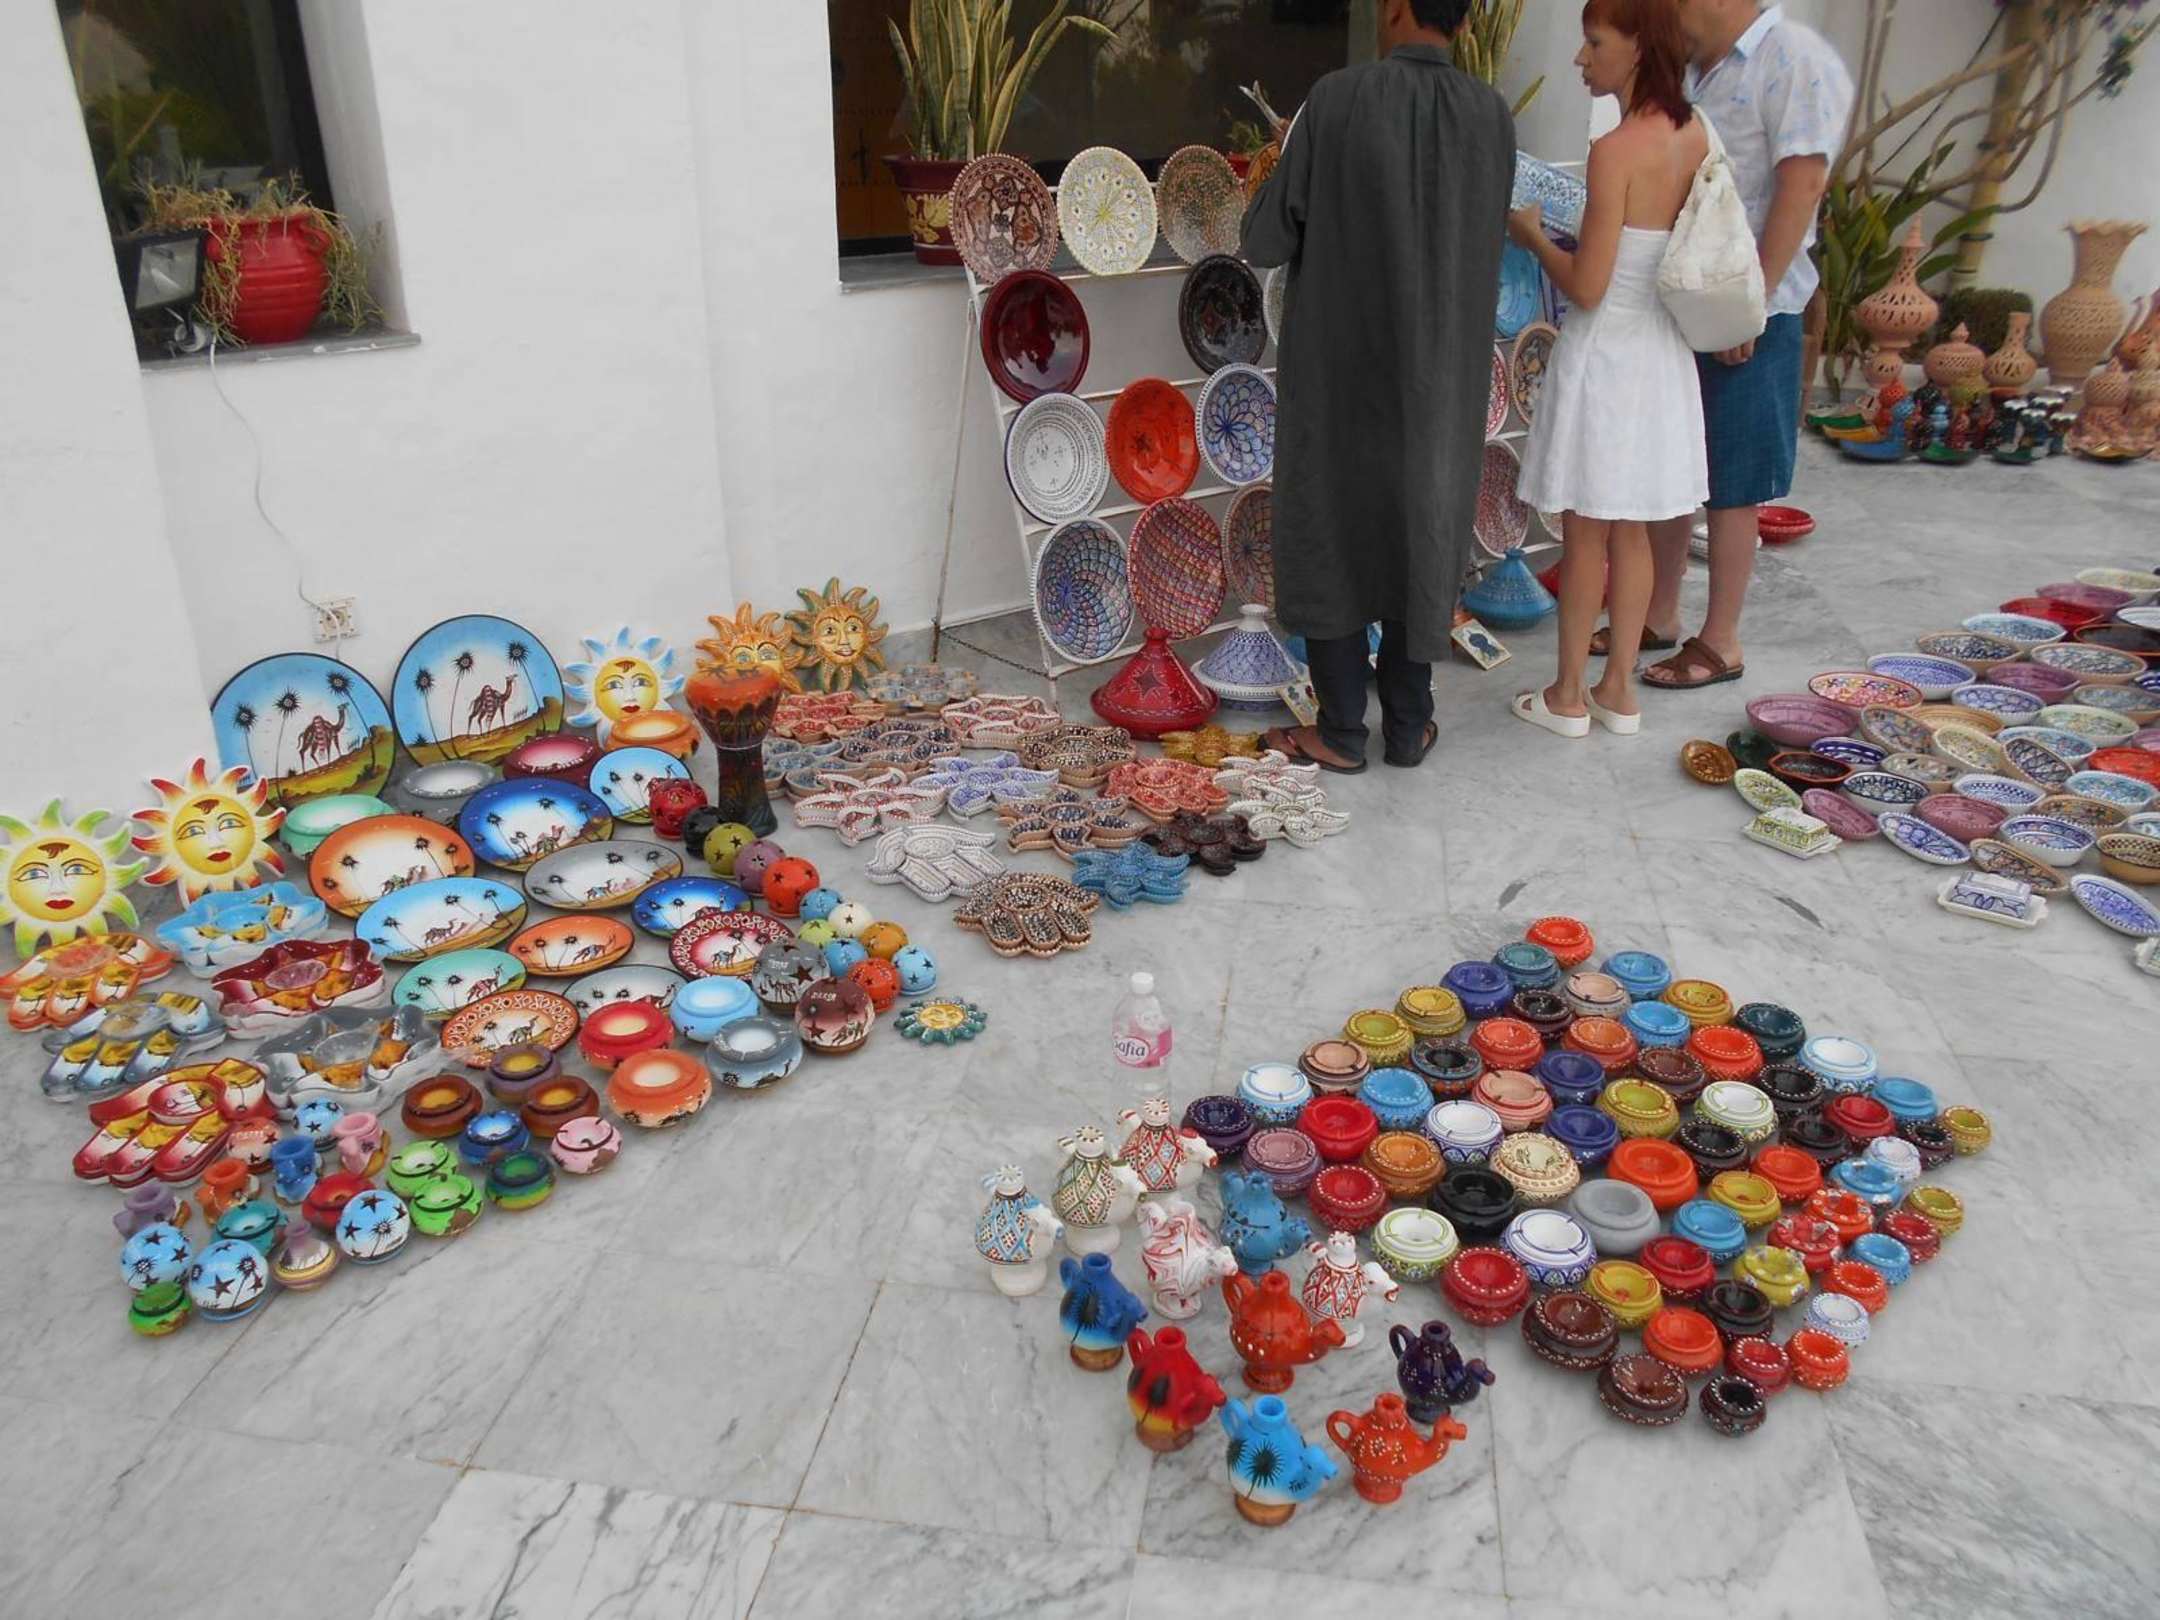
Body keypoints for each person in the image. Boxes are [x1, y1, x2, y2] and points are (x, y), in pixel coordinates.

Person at [1242, 0, 1514, 774]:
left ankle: (1338, 729)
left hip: (1341, 370)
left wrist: (1285, 158)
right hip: (1442, 377)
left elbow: (1265, 238)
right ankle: (1408, 723)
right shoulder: (1492, 118)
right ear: (1465, 22)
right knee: (1421, 526)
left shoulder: (1335, 100)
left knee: (1331, 521)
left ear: (1395, 7)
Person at [1617, 0, 1853, 690]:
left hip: (1753, 308)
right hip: (1683, 300)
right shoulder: (1692, 68)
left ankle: (1720, 640)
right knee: (1671, 463)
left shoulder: (1794, 59)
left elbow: (1802, 185)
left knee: (1734, 479)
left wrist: (1751, 307)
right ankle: (1659, 613)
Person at [1506, 0, 1708, 739]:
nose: (1581, 58)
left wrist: (1532, 236)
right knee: (1636, 528)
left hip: (1607, 353)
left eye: (1594, 43)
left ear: (1638, 46)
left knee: (1586, 529)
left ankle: (1567, 695)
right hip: (1663, 352)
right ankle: (1619, 690)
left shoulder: (1616, 149)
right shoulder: (1695, 132)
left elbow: (1588, 285)